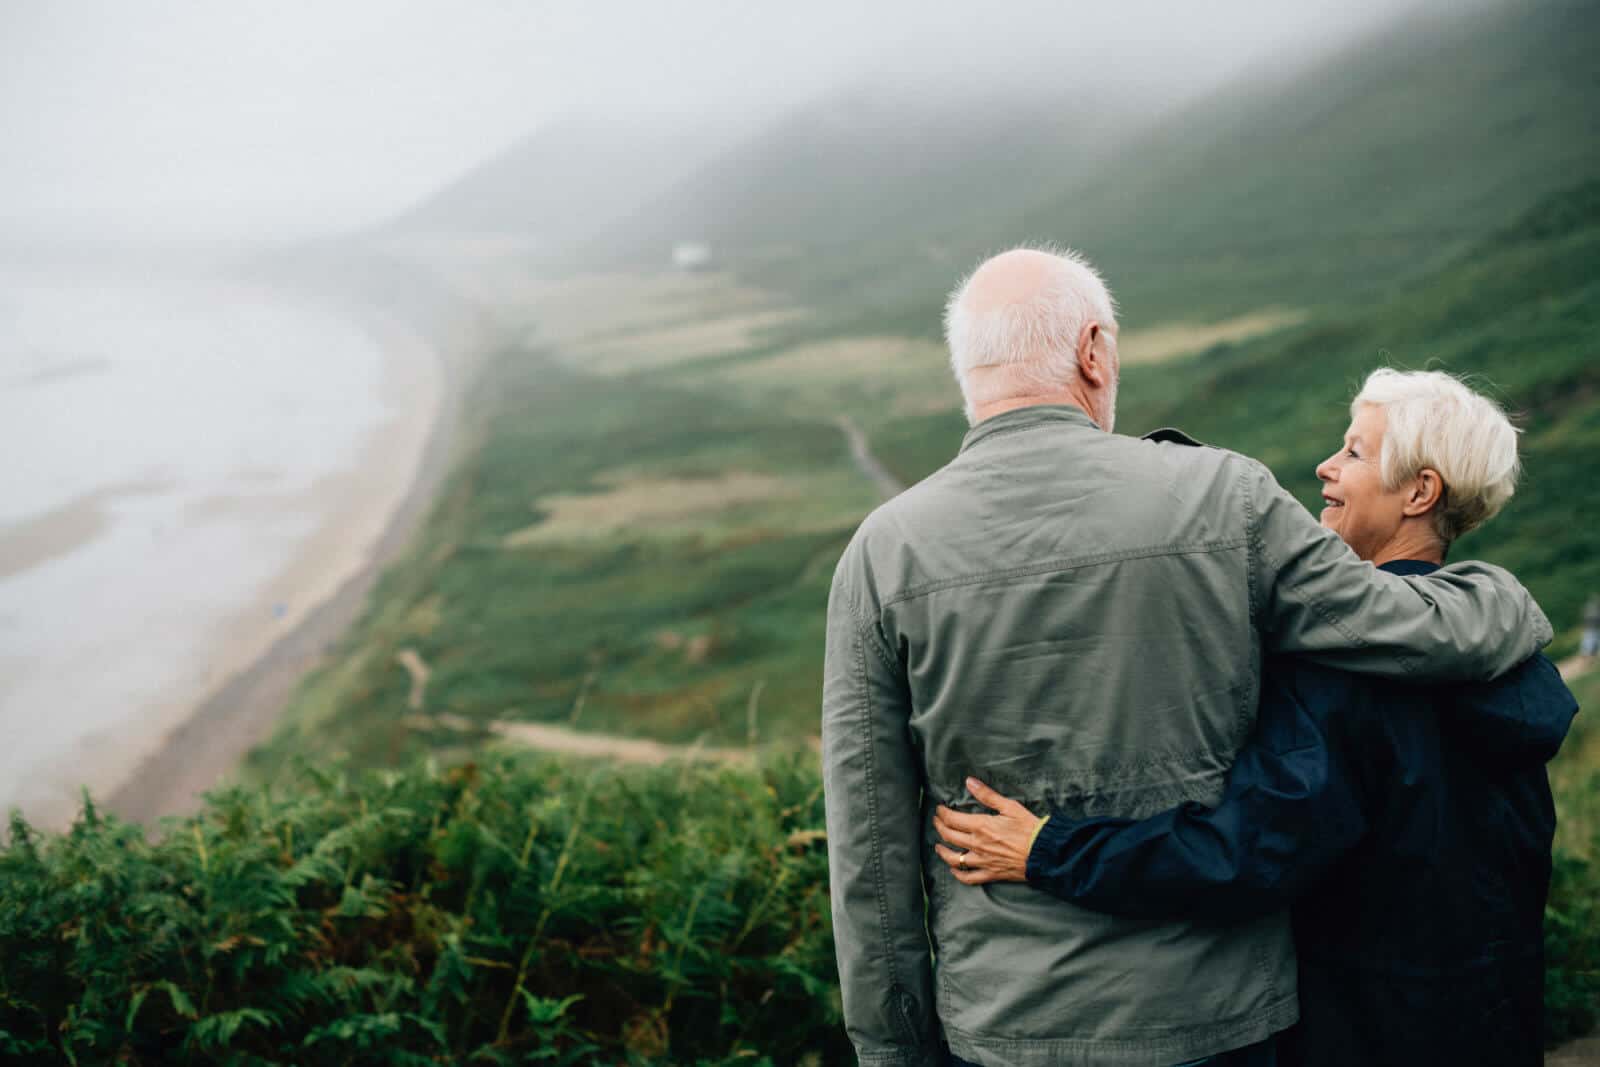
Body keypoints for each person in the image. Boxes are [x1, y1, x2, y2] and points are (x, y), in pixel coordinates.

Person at [822, 247, 1554, 1067]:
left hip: (1003, 1025)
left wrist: (892, 1050)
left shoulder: (880, 556)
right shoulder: (1227, 498)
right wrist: (1505, 597)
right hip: (1224, 1021)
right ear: (1093, 350)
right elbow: (1407, 628)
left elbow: (869, 858)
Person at [1582, 593, 1600, 658]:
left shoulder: (1589, 608)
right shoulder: (1594, 609)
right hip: (1591, 628)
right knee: (1589, 640)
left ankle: (1587, 652)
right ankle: (1587, 652)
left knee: (1589, 640)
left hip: (1590, 628)